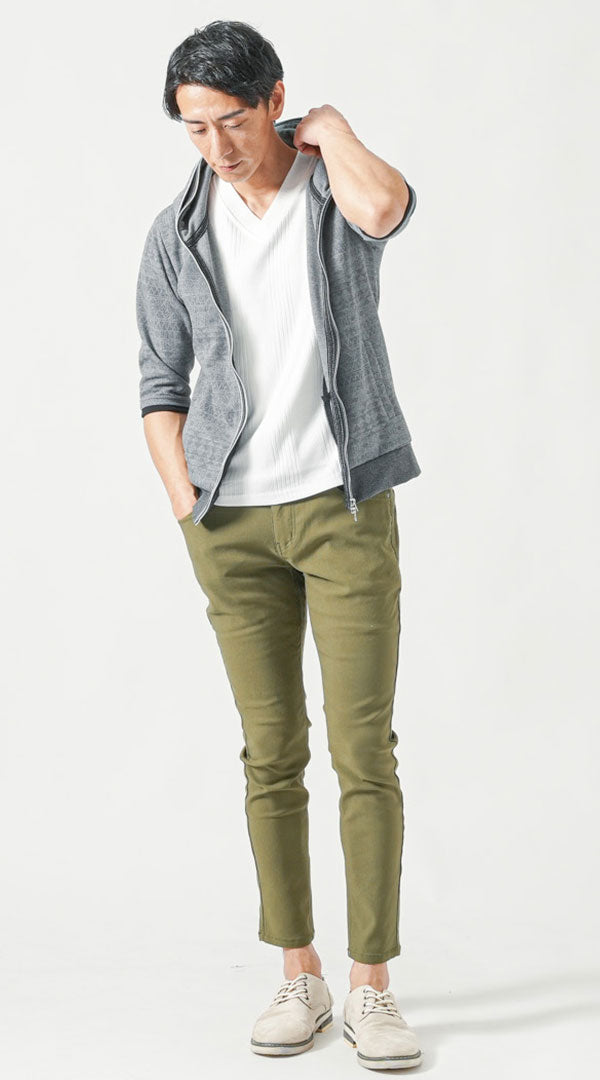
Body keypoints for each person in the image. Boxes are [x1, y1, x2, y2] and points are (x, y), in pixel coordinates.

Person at [136, 19, 423, 1069]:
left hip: (343, 507)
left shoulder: (331, 194)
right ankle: (299, 973)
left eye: (232, 120)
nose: (216, 146)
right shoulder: (177, 232)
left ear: (273, 100)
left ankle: (372, 988)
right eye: (193, 128)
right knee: (271, 755)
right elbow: (159, 382)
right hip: (231, 523)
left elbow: (388, 207)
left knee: (363, 753)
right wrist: (187, 502)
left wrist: (331, 127)